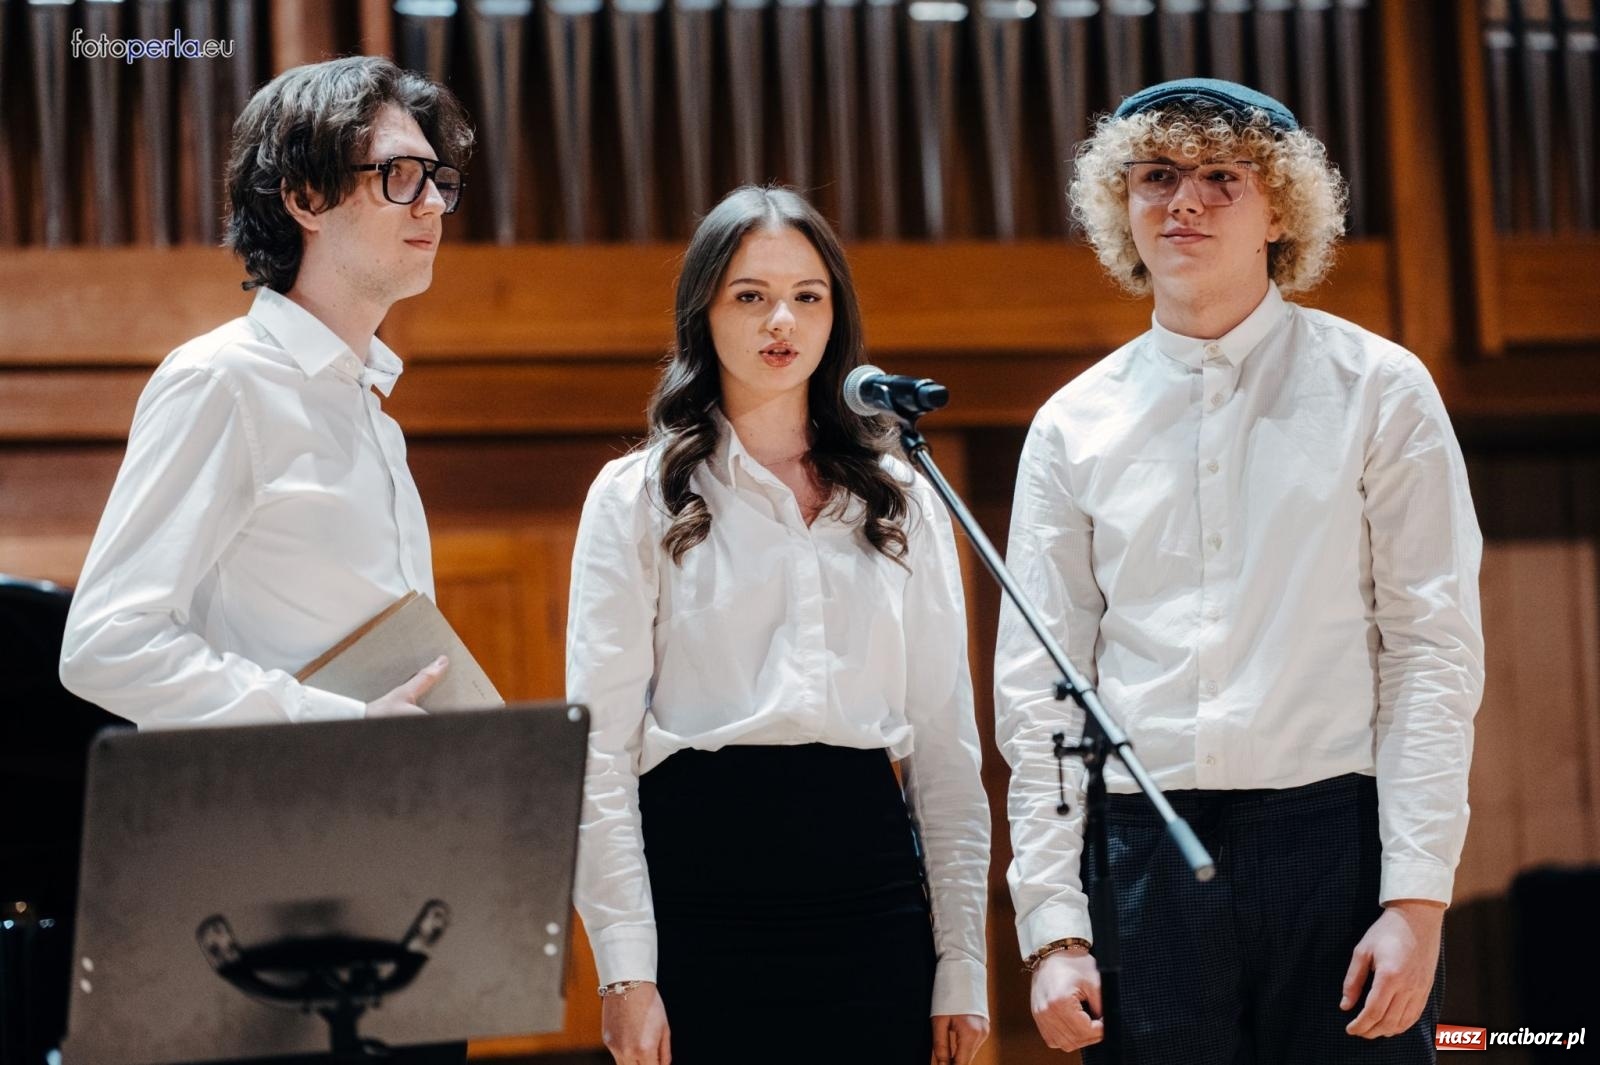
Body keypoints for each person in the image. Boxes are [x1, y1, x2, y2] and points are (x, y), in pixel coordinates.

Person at [995, 78, 1484, 1063]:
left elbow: (1431, 653)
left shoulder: (1379, 389)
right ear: (1120, 205)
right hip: (1141, 851)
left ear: (1280, 211)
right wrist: (1052, 924)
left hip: (1335, 844)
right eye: (1156, 175)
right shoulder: (1071, 425)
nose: (1184, 201)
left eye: (1222, 176)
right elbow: (1042, 689)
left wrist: (1416, 898)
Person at [566, 185, 990, 1065]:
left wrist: (963, 960)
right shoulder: (636, 495)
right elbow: (597, 749)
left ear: (837, 314)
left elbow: (947, 744)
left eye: (807, 295)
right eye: (750, 295)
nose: (781, 321)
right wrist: (623, 970)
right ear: (705, 312)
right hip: (702, 886)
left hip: (870, 886)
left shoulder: (899, 496)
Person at [60, 56, 474, 728]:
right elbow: (106, 644)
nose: (431, 203)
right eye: (398, 175)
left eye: (438, 180)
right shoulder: (222, 380)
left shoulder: (370, 413)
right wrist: (337, 722)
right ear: (305, 199)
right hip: (275, 789)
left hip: (376, 785)